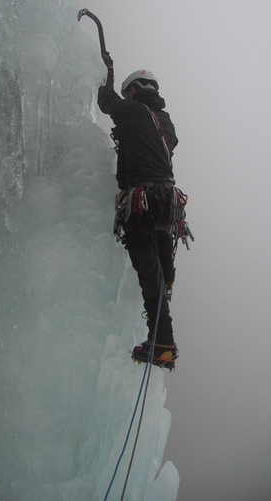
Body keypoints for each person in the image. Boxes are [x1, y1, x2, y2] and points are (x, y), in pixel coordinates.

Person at [98, 55, 179, 369]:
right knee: (159, 261)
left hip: (143, 199)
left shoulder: (132, 111)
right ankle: (167, 282)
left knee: (148, 273)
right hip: (166, 200)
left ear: (131, 91)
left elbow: (107, 102)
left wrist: (107, 72)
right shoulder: (165, 122)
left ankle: (162, 343)